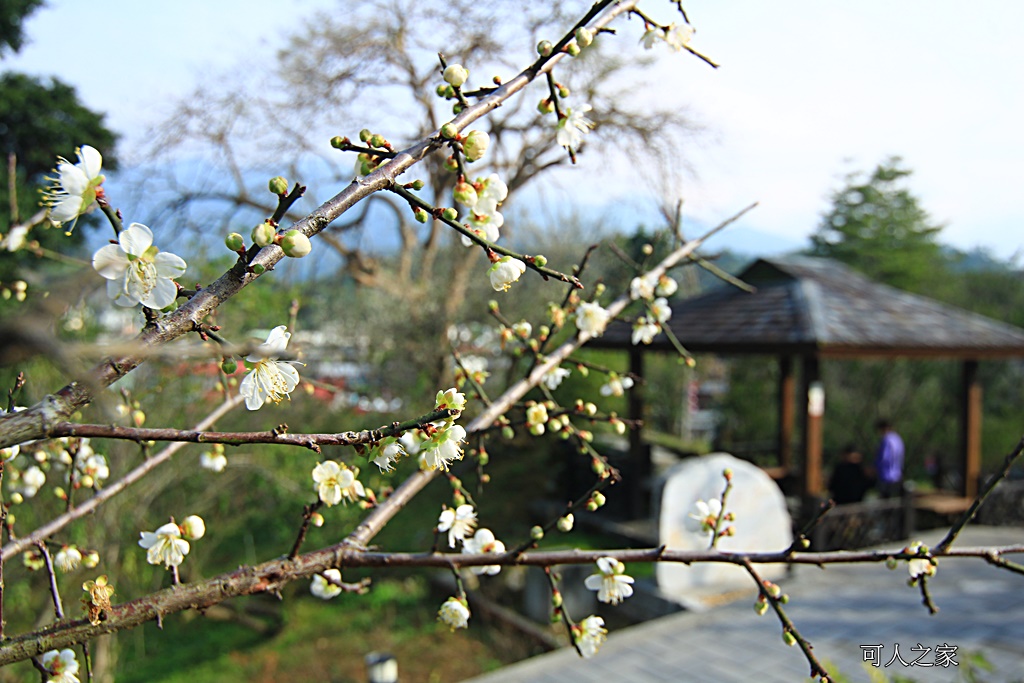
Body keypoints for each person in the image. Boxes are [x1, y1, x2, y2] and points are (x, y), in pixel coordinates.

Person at [874, 419, 904, 498]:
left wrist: (874, 467)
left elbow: (884, 458)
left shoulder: (886, 440)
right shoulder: (897, 439)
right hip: (897, 475)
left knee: (885, 501)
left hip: (886, 476)